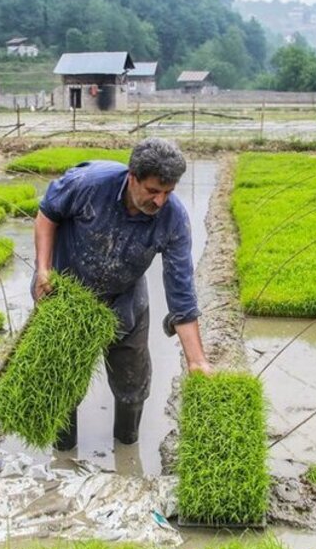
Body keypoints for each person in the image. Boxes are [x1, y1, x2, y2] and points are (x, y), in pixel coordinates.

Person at [33, 137, 211, 451]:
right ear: (132, 177)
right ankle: (64, 452)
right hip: (68, 297)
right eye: (153, 191)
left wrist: (196, 361)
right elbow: (47, 214)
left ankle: (127, 448)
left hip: (125, 301)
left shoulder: (174, 219)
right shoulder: (88, 184)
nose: (160, 201)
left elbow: (181, 293)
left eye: (168, 193)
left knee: (132, 387)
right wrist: (44, 268)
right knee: (60, 384)